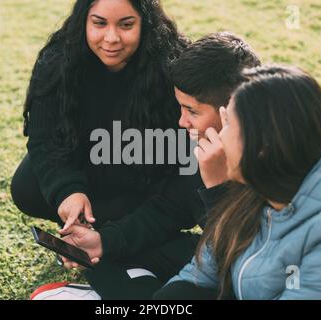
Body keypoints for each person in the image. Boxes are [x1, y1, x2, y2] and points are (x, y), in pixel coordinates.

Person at [30, 32, 261, 300]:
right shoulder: (199, 145)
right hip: (212, 257)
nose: (182, 122)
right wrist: (104, 242)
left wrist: (218, 186)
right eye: (181, 109)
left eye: (193, 112)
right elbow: (169, 209)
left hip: (246, 277)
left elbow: (252, 261)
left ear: (233, 109)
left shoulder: (272, 156)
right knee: (103, 254)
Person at [153, 65, 321, 300]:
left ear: (262, 147)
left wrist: (218, 189)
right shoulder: (262, 186)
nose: (220, 136)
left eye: (229, 126)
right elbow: (201, 274)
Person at [11, 0, 189, 243]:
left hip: (146, 173)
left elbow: (182, 152)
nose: (111, 38)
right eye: (99, 23)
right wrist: (69, 191)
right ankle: (87, 225)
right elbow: (45, 139)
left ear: (145, 23)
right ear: (84, 20)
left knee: (188, 196)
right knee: (28, 185)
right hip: (92, 164)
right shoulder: (57, 60)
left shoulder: (173, 63)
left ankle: (119, 232)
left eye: (126, 25)